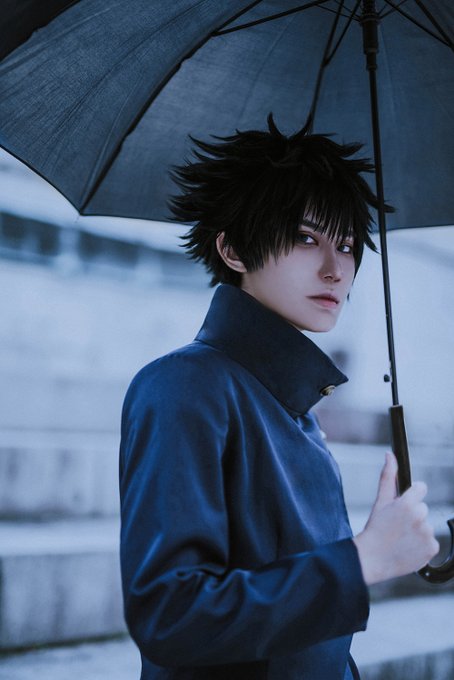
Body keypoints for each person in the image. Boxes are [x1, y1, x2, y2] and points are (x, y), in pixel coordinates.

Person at [119, 115, 439, 680]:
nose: (335, 269)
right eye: (306, 238)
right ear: (234, 249)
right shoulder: (183, 386)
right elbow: (171, 616)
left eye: (346, 245)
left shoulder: (293, 405)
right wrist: (361, 560)